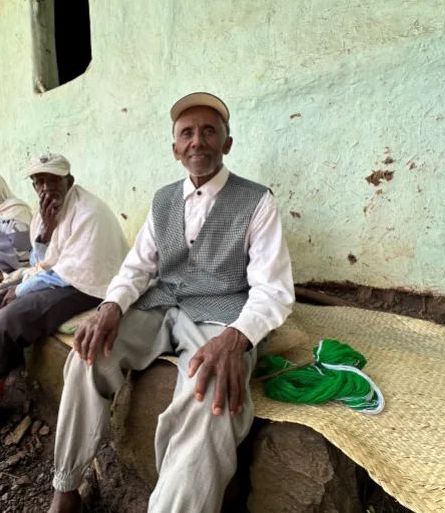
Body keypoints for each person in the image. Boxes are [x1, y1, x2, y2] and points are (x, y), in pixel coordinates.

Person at [48, 93, 295, 513]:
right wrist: (110, 307)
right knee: (88, 353)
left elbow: (273, 289)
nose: (198, 140)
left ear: (227, 144)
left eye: (209, 131)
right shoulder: (163, 200)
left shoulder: (257, 200)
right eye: (187, 133)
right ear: (176, 149)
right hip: (162, 303)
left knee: (211, 397)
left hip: (222, 315)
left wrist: (238, 339)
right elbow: (138, 267)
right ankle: (66, 486)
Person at [0, 153, 129, 448]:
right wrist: (45, 230)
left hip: (91, 286)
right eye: (39, 182)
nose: (45, 188)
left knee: (11, 317)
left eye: (52, 180)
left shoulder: (89, 212)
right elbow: (42, 261)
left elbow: (73, 272)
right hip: (61, 277)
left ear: (70, 181)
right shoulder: (46, 211)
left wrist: (22, 289)